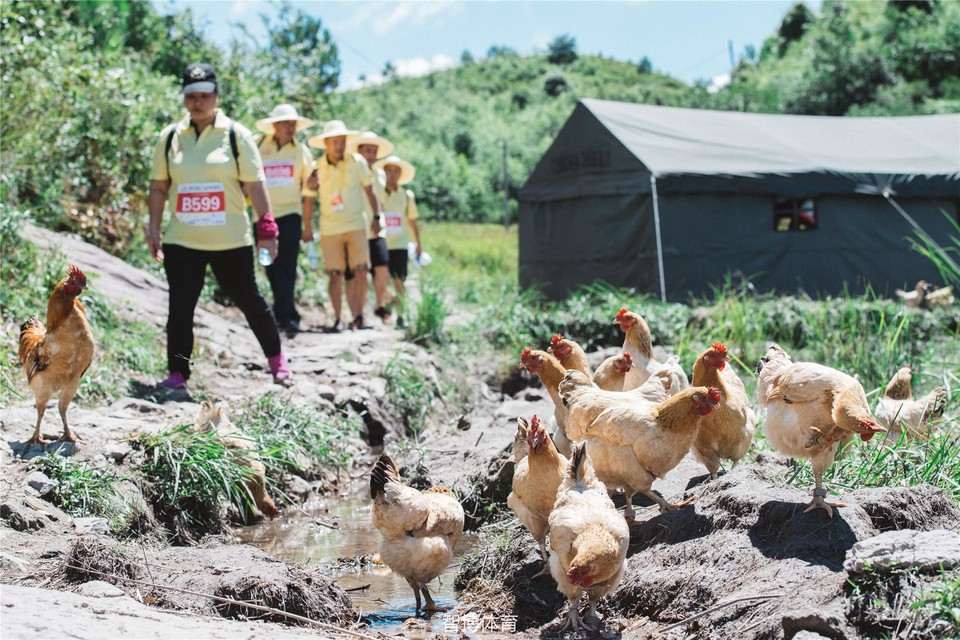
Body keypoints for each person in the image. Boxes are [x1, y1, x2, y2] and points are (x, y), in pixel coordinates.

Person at [147, 63, 290, 388]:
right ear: (184, 98)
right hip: (182, 239)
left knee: (250, 301)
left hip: (229, 240)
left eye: (204, 95)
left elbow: (256, 185)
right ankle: (178, 374)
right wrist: (154, 226)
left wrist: (267, 230)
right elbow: (158, 187)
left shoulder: (236, 136)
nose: (198, 102)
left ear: (216, 96)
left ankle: (277, 361)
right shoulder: (170, 137)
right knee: (180, 308)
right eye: (191, 96)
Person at [304, 120, 381, 332]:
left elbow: (370, 190)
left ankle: (358, 316)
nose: (339, 145)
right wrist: (307, 227)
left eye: (342, 141)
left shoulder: (357, 162)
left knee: (361, 270)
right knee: (335, 274)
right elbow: (309, 198)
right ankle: (338, 318)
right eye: (335, 141)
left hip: (356, 224)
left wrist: (376, 217)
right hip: (330, 228)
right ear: (327, 143)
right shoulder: (317, 167)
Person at [253, 103, 315, 336]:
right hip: (262, 214)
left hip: (290, 215)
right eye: (286, 124)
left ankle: (288, 317)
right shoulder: (259, 147)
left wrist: (311, 186)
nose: (290, 128)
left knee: (287, 264)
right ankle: (280, 311)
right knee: (269, 264)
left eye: (293, 124)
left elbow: (308, 188)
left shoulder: (301, 152)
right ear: (275, 126)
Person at [347, 130, 393, 323]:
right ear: (358, 151)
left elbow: (382, 202)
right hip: (356, 227)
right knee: (358, 273)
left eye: (374, 151)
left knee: (382, 269)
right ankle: (357, 313)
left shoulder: (380, 175)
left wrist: (378, 218)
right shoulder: (351, 171)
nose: (371, 155)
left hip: (376, 229)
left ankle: (380, 306)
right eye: (367, 151)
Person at [372, 155, 422, 328]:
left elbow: (411, 220)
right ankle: (384, 309)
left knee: (399, 279)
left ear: (400, 174)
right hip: (382, 241)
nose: (392, 174)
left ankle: (401, 314)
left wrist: (418, 243)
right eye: (389, 170)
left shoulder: (406, 196)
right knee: (381, 280)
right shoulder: (377, 192)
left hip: (400, 243)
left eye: (396, 171)